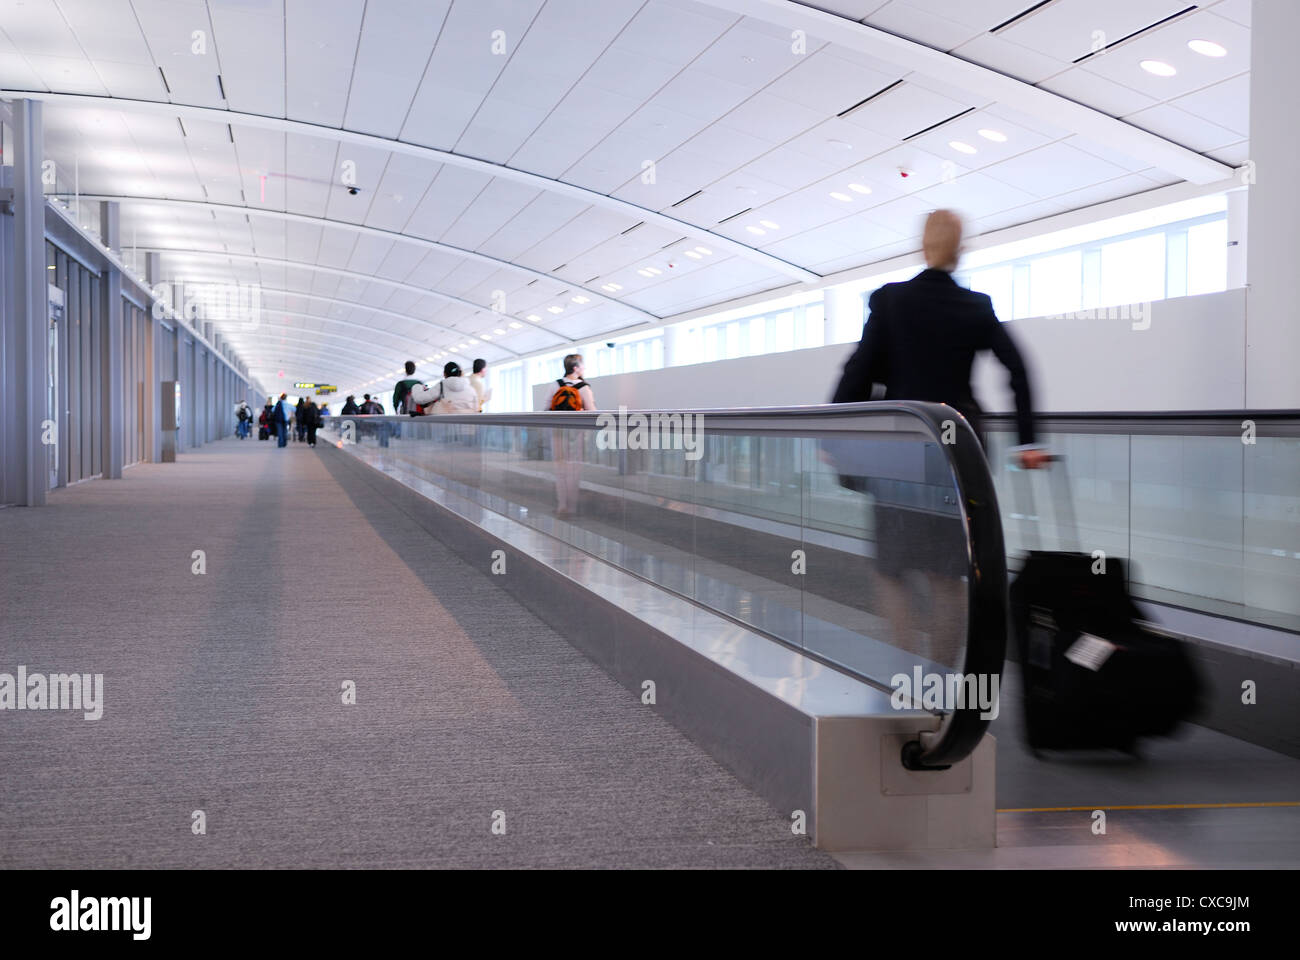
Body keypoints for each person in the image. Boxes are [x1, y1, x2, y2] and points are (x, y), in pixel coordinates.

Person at [829, 208, 1046, 665]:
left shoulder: (891, 301)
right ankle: (942, 684)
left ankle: (904, 673)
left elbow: (857, 372)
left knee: (891, 569)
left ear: (923, 247)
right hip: (958, 455)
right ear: (961, 248)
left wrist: (835, 437)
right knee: (948, 576)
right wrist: (1028, 442)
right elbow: (1019, 370)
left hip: (900, 452)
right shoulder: (977, 306)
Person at [547, 354, 595, 517]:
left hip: (558, 432)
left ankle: (561, 506)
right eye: (582, 365)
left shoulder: (555, 385)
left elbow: (546, 409)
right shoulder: (583, 387)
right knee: (574, 470)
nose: (584, 368)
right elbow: (592, 412)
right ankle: (572, 508)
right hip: (576, 434)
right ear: (576, 368)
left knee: (560, 469)